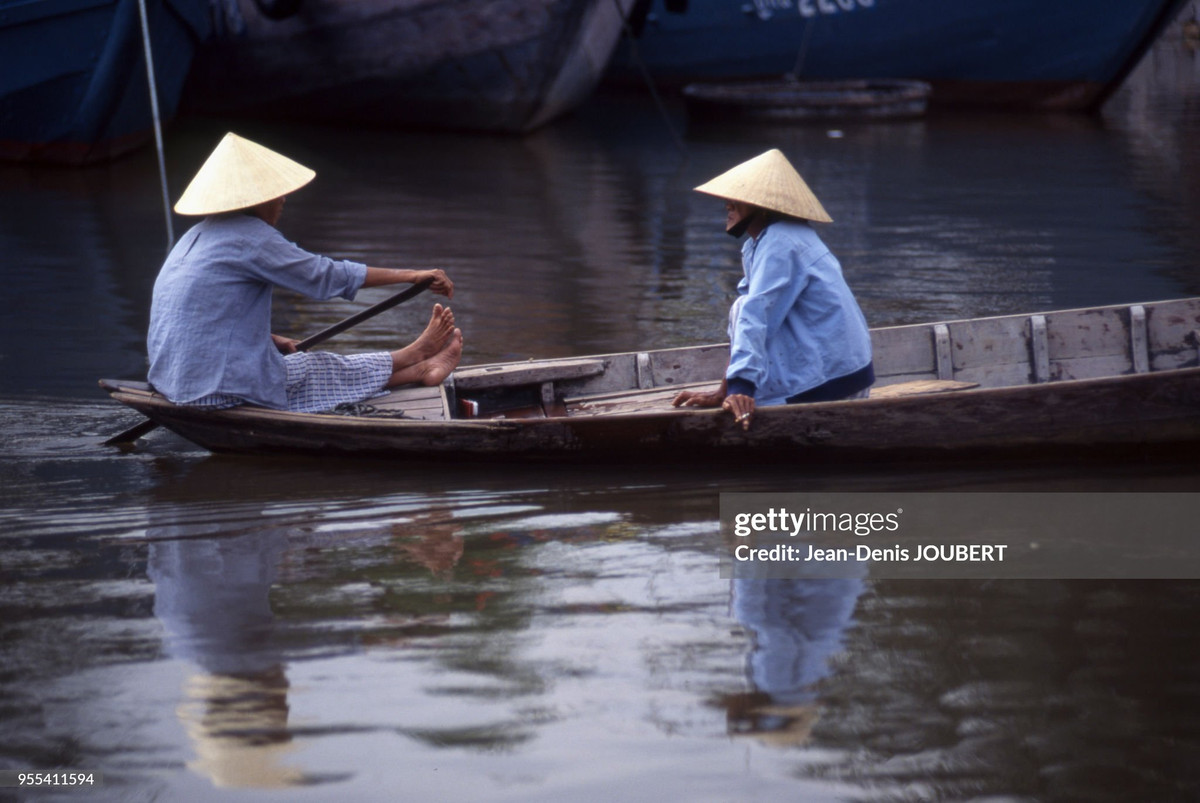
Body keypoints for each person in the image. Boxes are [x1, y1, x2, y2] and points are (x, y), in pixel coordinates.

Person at [148, 132, 462, 414]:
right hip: (217, 391)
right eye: (275, 194)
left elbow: (200, 319)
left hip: (173, 381)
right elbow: (326, 277)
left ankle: (420, 370)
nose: (282, 200)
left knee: (302, 366)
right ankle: (414, 355)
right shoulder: (251, 238)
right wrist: (412, 276)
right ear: (256, 201)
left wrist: (271, 340)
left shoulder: (193, 237)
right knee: (318, 368)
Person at [673, 149, 873, 430]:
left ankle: (749, 390)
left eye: (736, 201)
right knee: (742, 308)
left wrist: (741, 387)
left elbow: (757, 315)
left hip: (836, 382)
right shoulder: (760, 242)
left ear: (762, 207)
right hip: (840, 371)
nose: (728, 206)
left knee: (746, 309)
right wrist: (727, 388)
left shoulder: (782, 241)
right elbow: (750, 319)